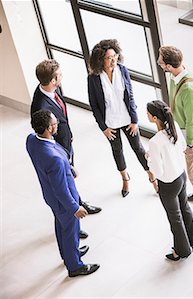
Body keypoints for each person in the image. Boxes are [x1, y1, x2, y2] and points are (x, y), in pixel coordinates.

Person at [31, 59, 102, 240]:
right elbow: (46, 136)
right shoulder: (40, 107)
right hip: (58, 152)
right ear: (53, 80)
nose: (62, 77)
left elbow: (61, 118)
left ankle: (79, 203)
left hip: (65, 143)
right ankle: (74, 219)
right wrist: (65, 159)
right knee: (65, 184)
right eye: (60, 75)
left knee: (70, 182)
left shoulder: (54, 90)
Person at [26, 110, 100, 277]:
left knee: (61, 227)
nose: (57, 125)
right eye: (54, 124)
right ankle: (74, 266)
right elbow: (61, 190)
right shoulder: (54, 159)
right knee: (70, 231)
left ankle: (69, 254)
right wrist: (75, 207)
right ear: (48, 128)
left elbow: (51, 162)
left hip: (50, 196)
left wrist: (69, 168)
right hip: (63, 201)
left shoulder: (31, 140)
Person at [88, 39, 153, 197]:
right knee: (117, 150)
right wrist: (103, 127)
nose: (113, 60)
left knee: (138, 148)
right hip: (110, 123)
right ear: (100, 60)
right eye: (108, 58)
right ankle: (125, 178)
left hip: (127, 119)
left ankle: (152, 176)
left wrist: (135, 120)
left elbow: (130, 96)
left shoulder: (122, 70)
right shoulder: (93, 78)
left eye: (115, 56)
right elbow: (94, 105)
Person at [157, 46, 193, 223]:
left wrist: (190, 145)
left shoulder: (188, 88)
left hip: (191, 134)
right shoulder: (175, 76)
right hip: (183, 132)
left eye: (160, 59)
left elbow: (192, 122)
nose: (158, 61)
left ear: (168, 65)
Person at [146, 100, 193, 260]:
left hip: (168, 183)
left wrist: (148, 158)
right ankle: (192, 239)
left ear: (154, 118)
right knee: (185, 208)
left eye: (148, 113)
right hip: (181, 176)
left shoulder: (155, 142)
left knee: (174, 218)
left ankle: (181, 251)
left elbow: (157, 170)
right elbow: (182, 147)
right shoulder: (173, 127)